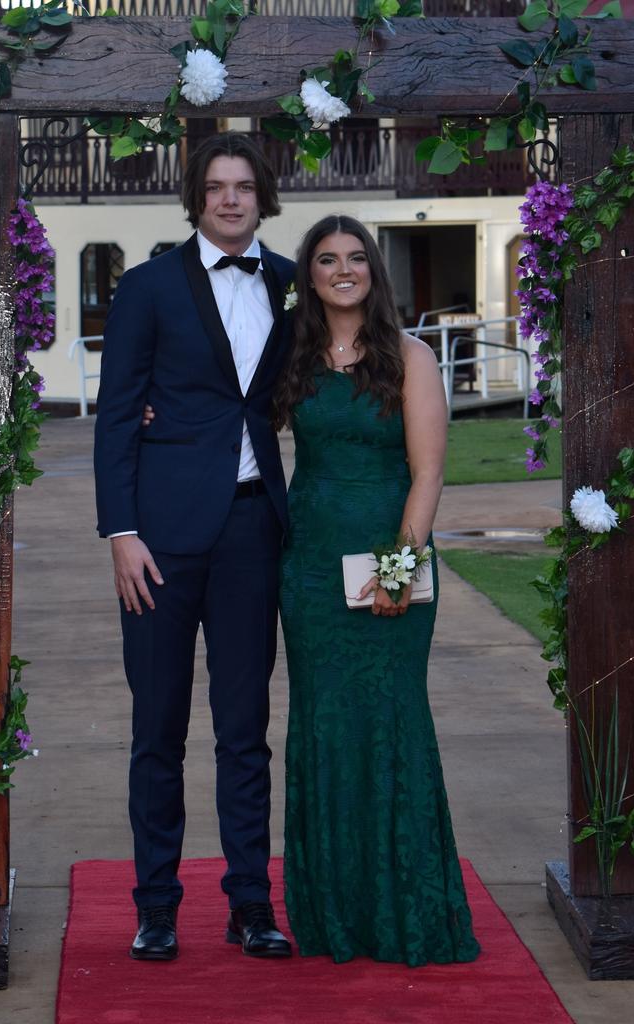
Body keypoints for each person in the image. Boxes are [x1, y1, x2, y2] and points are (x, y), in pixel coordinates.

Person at [94, 132, 295, 961]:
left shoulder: (292, 284)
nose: (230, 199)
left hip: (254, 531)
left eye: (244, 185)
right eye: (215, 185)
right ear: (195, 196)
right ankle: (156, 908)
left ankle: (252, 904)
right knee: (158, 731)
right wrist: (121, 533)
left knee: (245, 731)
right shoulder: (144, 288)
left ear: (262, 196)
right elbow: (115, 416)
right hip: (160, 545)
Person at [272, 214, 481, 966]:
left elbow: (427, 472)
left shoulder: (411, 356)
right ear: (311, 274)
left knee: (391, 719)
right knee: (324, 725)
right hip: (310, 569)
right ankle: (335, 912)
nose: (343, 270)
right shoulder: (292, 355)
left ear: (373, 271)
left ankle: (407, 910)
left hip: (389, 560)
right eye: (327, 260)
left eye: (356, 258)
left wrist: (398, 568)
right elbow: (240, 426)